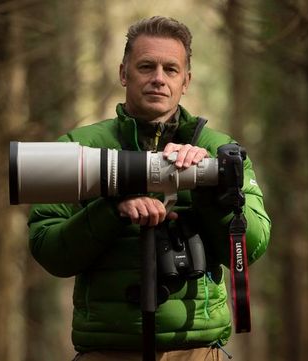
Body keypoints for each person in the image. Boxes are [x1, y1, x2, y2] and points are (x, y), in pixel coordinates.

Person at [28, 16, 271, 360]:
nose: (158, 78)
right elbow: (48, 248)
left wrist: (207, 186)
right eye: (146, 66)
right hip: (107, 350)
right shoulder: (78, 147)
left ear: (186, 81)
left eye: (171, 69)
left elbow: (253, 246)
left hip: (197, 351)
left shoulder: (220, 151)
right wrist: (112, 210)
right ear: (124, 73)